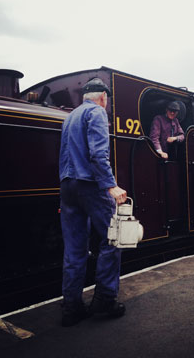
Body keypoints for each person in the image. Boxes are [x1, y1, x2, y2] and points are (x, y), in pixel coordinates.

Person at [58, 78, 128, 327]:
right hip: (89, 185)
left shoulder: (70, 117)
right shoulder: (96, 113)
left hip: (67, 186)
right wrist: (110, 185)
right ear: (103, 98)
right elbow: (98, 153)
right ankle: (105, 299)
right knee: (114, 238)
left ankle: (71, 307)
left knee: (74, 249)